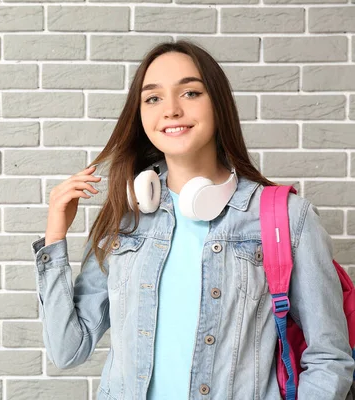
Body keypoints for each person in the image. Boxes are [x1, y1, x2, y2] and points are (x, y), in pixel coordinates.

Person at [30, 40, 355, 399]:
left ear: (218, 104)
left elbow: (330, 357)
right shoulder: (124, 220)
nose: (170, 110)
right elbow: (68, 349)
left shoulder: (287, 219)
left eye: (190, 92)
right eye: (153, 98)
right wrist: (55, 233)